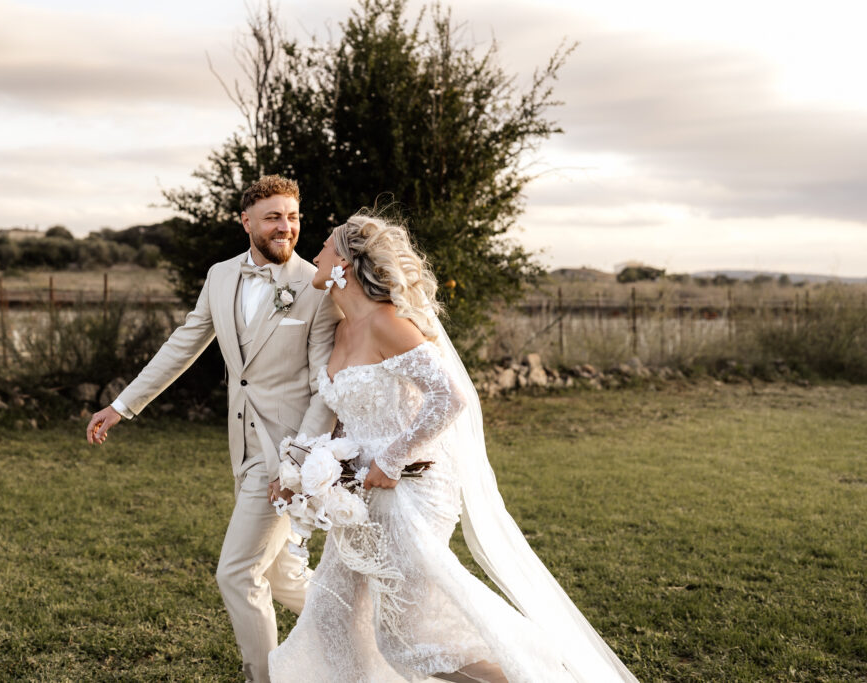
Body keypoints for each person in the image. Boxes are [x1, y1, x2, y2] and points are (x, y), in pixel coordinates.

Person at [267, 214, 638, 682]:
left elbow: (449, 396)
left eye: (323, 247)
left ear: (344, 261)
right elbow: (349, 420)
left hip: (410, 487)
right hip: (359, 496)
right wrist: (306, 479)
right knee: (331, 618)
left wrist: (392, 457)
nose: (315, 254)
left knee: (409, 640)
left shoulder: (389, 323)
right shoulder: (341, 330)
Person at [85, 175, 342, 683]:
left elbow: (324, 391)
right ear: (245, 222)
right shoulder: (220, 276)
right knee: (283, 576)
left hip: (284, 457)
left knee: (237, 573)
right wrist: (121, 404)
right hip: (242, 446)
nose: (284, 226)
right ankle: (365, 637)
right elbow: (182, 345)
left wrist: (296, 467)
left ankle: (263, 676)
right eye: (272, 216)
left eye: (292, 216)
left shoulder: (315, 289)